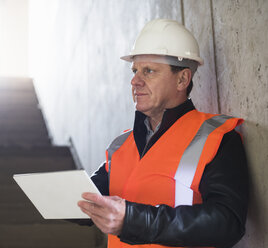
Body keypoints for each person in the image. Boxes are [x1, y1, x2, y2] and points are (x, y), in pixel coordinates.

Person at [77, 19, 248, 248]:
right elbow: (91, 197)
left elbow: (227, 223)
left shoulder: (216, 137)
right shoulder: (120, 145)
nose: (135, 81)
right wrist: (62, 199)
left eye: (149, 71)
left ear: (182, 79)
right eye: (135, 70)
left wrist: (134, 221)